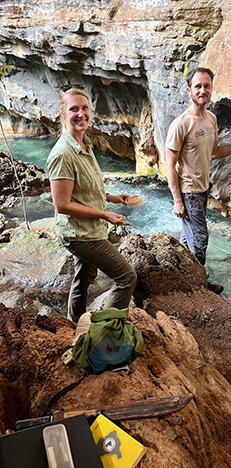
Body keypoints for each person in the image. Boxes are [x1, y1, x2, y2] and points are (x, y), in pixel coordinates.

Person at [46, 84, 137, 322]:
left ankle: (74, 324)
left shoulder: (84, 145)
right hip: (80, 233)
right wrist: (104, 214)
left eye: (85, 108)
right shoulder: (62, 154)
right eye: (73, 108)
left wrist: (112, 198)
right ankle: (105, 331)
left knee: (84, 278)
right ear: (62, 113)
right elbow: (62, 204)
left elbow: (86, 188)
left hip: (88, 229)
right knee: (127, 277)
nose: (81, 114)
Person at [166, 67, 231, 294]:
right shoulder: (180, 124)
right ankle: (199, 286)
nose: (203, 90)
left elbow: (215, 152)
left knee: (189, 239)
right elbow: (169, 165)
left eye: (206, 86)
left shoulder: (211, 119)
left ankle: (182, 278)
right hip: (188, 190)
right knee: (200, 238)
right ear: (189, 90)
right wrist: (177, 201)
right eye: (198, 86)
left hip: (203, 188)